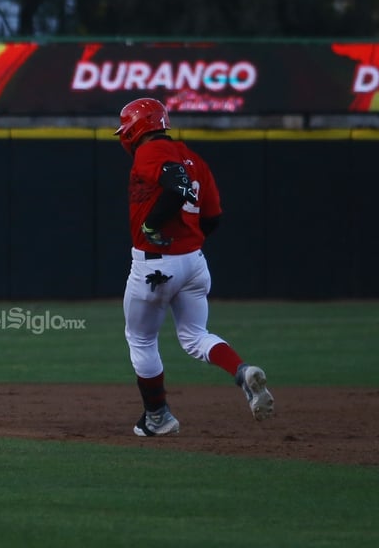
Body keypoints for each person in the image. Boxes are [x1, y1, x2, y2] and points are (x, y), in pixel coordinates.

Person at [114, 97, 274, 437]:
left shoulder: (150, 151)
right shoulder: (193, 157)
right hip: (194, 262)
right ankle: (241, 370)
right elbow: (212, 217)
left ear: (136, 129)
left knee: (141, 340)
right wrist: (186, 242)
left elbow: (177, 186)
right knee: (195, 336)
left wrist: (153, 225)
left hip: (155, 264)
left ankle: (158, 418)